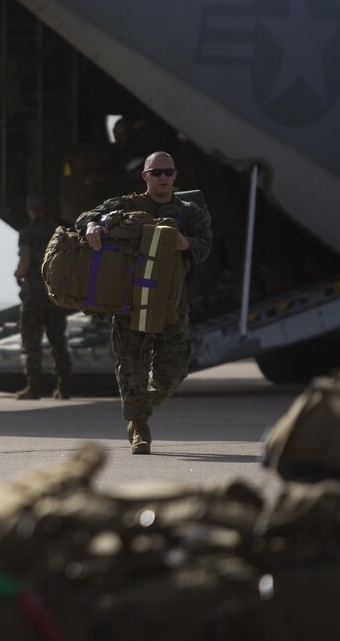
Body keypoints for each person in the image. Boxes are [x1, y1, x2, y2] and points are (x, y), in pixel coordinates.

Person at [76, 151, 212, 454]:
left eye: (168, 172)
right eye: (157, 172)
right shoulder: (127, 205)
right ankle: (139, 427)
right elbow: (85, 217)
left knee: (173, 372)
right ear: (145, 176)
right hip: (130, 303)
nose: (163, 177)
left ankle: (143, 402)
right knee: (130, 365)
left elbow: (206, 245)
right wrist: (93, 227)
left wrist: (187, 243)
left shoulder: (190, 211)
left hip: (171, 304)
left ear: (175, 175)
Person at [13, 192, 72, 400]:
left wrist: (18, 275)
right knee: (58, 341)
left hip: (34, 297)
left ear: (29, 209)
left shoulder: (27, 232)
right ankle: (63, 387)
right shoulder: (57, 232)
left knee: (31, 343)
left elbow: (25, 262)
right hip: (55, 295)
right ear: (45, 209)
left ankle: (34, 387)